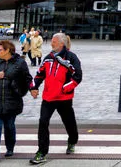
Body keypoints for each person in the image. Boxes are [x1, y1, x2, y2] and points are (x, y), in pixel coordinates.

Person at [29, 33, 82, 165]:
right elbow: (39, 74)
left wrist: (65, 88)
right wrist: (34, 87)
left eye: (53, 41)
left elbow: (77, 76)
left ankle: (72, 141)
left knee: (69, 122)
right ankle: (41, 152)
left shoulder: (71, 57)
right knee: (43, 122)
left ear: (61, 44)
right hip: (48, 98)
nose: (51, 43)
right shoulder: (48, 58)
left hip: (64, 98)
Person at [0, 40, 32, 166]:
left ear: (7, 50)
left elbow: (28, 79)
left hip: (12, 102)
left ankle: (10, 147)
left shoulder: (20, 63)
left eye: (0, 49)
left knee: (9, 127)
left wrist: (22, 91)